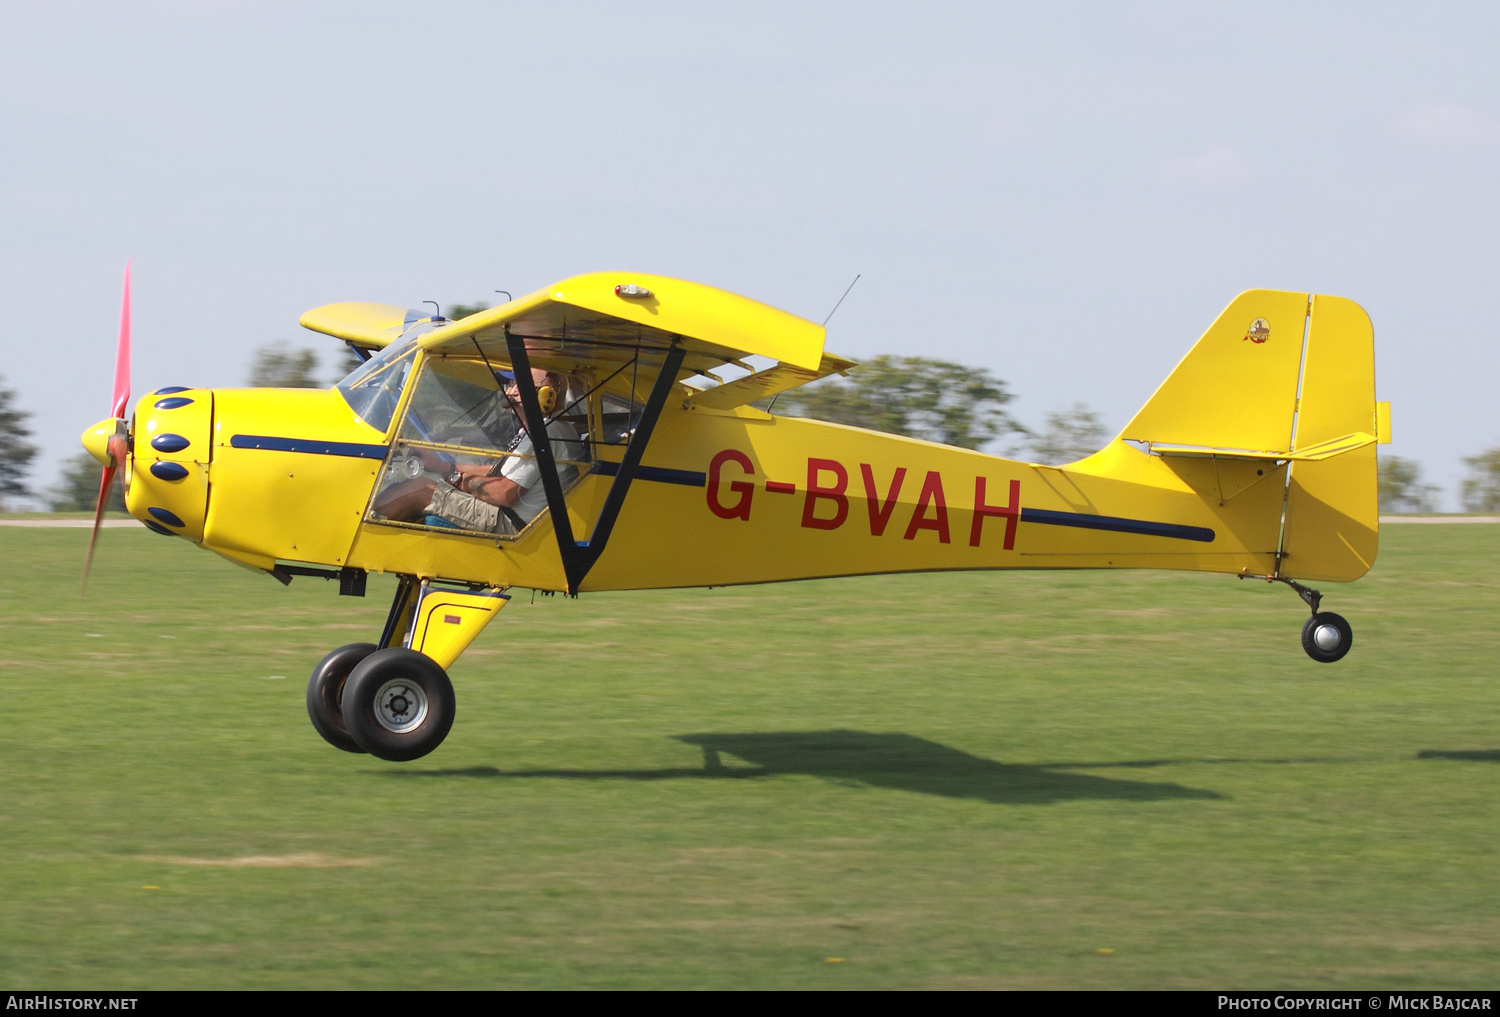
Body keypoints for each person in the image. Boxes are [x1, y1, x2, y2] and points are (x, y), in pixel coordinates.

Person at [375, 368, 583, 535]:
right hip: (509, 518)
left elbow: (505, 492)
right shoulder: (543, 429)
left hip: (513, 525)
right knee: (415, 487)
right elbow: (498, 472)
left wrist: (455, 477)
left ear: (546, 393)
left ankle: (367, 531)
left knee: (420, 491)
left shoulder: (547, 432)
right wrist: (443, 466)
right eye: (511, 383)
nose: (510, 389)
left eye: (519, 383)